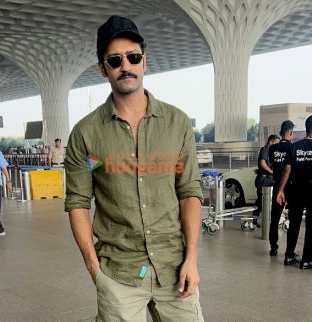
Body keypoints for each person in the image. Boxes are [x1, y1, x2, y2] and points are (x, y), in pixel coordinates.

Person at [64, 15, 204, 322]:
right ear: (103, 68)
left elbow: (188, 192)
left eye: (133, 56)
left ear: (144, 61)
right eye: (114, 60)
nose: (125, 65)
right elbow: (77, 201)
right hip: (117, 273)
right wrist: (93, 268)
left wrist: (192, 259)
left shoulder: (177, 123)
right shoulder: (87, 135)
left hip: (175, 269)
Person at [277, 115, 312, 269]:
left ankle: (289, 256)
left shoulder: (295, 146)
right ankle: (307, 259)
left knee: (294, 223)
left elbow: (287, 169)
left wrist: (281, 190)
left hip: (295, 189)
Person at [268, 121, 294, 256]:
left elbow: (272, 164)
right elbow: (289, 168)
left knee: (275, 216)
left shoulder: (273, 149)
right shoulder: (292, 147)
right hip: (290, 186)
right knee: (293, 217)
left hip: (277, 184)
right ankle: (290, 250)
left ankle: (273, 246)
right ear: (290, 133)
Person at [252, 134, 280, 227]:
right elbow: (262, 162)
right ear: (271, 142)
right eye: (276, 143)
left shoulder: (270, 151)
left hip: (265, 178)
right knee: (261, 201)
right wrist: (272, 172)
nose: (277, 146)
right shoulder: (265, 149)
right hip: (264, 180)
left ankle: (255, 219)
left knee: (261, 201)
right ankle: (255, 220)